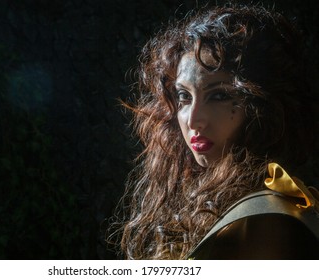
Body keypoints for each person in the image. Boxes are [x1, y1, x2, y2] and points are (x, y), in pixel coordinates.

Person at [109, 4, 319, 259]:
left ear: (262, 106)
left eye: (219, 95)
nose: (194, 121)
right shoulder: (212, 199)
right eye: (184, 96)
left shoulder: (265, 221)